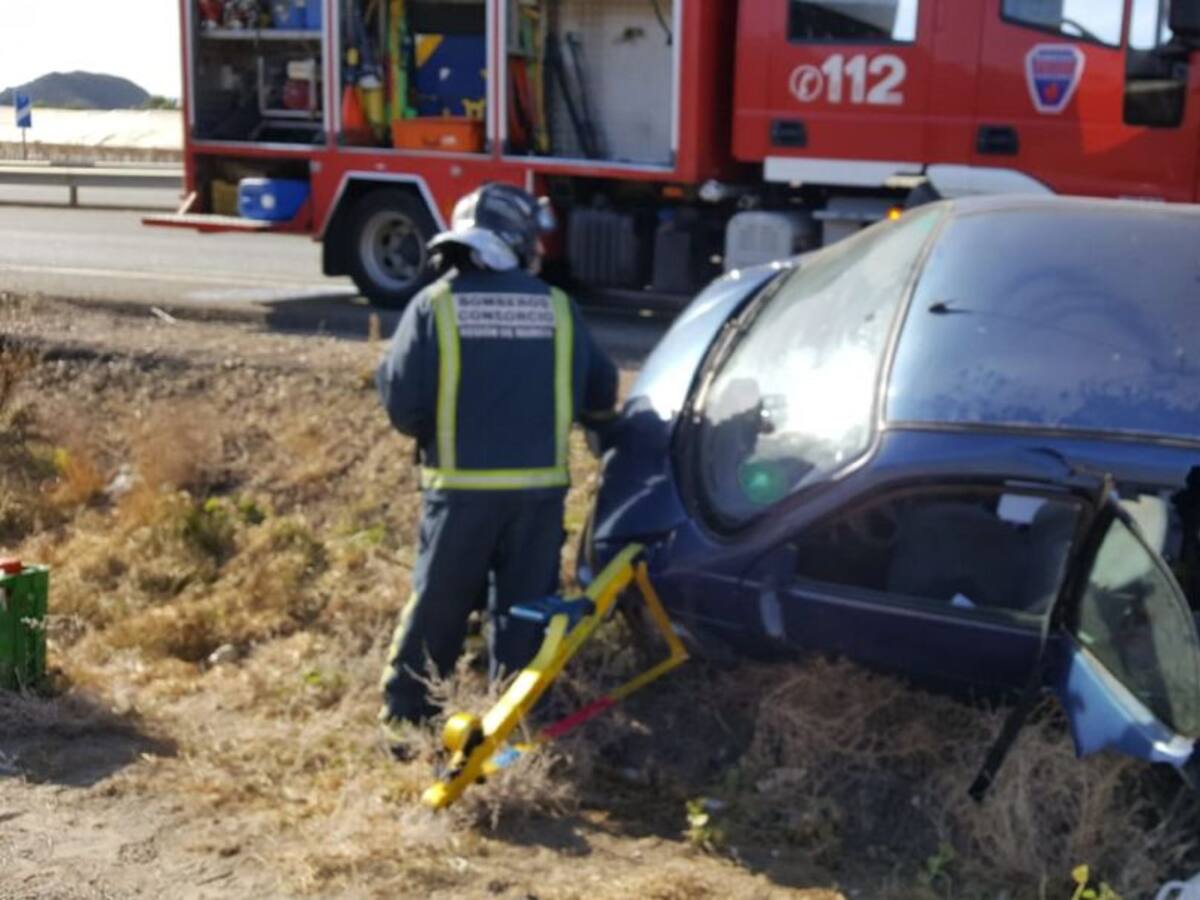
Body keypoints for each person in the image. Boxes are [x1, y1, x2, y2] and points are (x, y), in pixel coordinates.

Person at [375, 183, 618, 752]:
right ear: (519, 240)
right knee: (525, 611)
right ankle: (518, 722)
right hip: (539, 496)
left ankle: (409, 721)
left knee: (438, 603)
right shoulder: (558, 306)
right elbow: (601, 392)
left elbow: (404, 406)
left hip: (459, 494)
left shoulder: (433, 304)